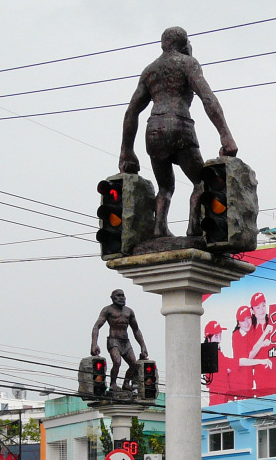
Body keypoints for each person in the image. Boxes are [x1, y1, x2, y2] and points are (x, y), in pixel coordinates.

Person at [119, 26, 239, 239]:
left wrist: (127, 151)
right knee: (201, 181)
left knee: (165, 187)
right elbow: (208, 98)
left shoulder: (150, 70)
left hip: (154, 130)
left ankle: (159, 227)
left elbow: (132, 112)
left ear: (163, 44)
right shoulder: (187, 63)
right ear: (184, 44)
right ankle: (194, 226)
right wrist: (225, 135)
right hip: (180, 126)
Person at [90, 289, 149, 392]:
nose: (122, 297)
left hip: (125, 341)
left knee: (134, 364)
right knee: (117, 362)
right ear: (112, 298)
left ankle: (126, 383)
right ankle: (113, 384)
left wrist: (143, 346)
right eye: (119, 295)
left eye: (123, 295)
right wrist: (94, 344)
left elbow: (136, 330)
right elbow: (96, 327)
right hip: (113, 340)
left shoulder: (129, 311)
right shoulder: (108, 310)